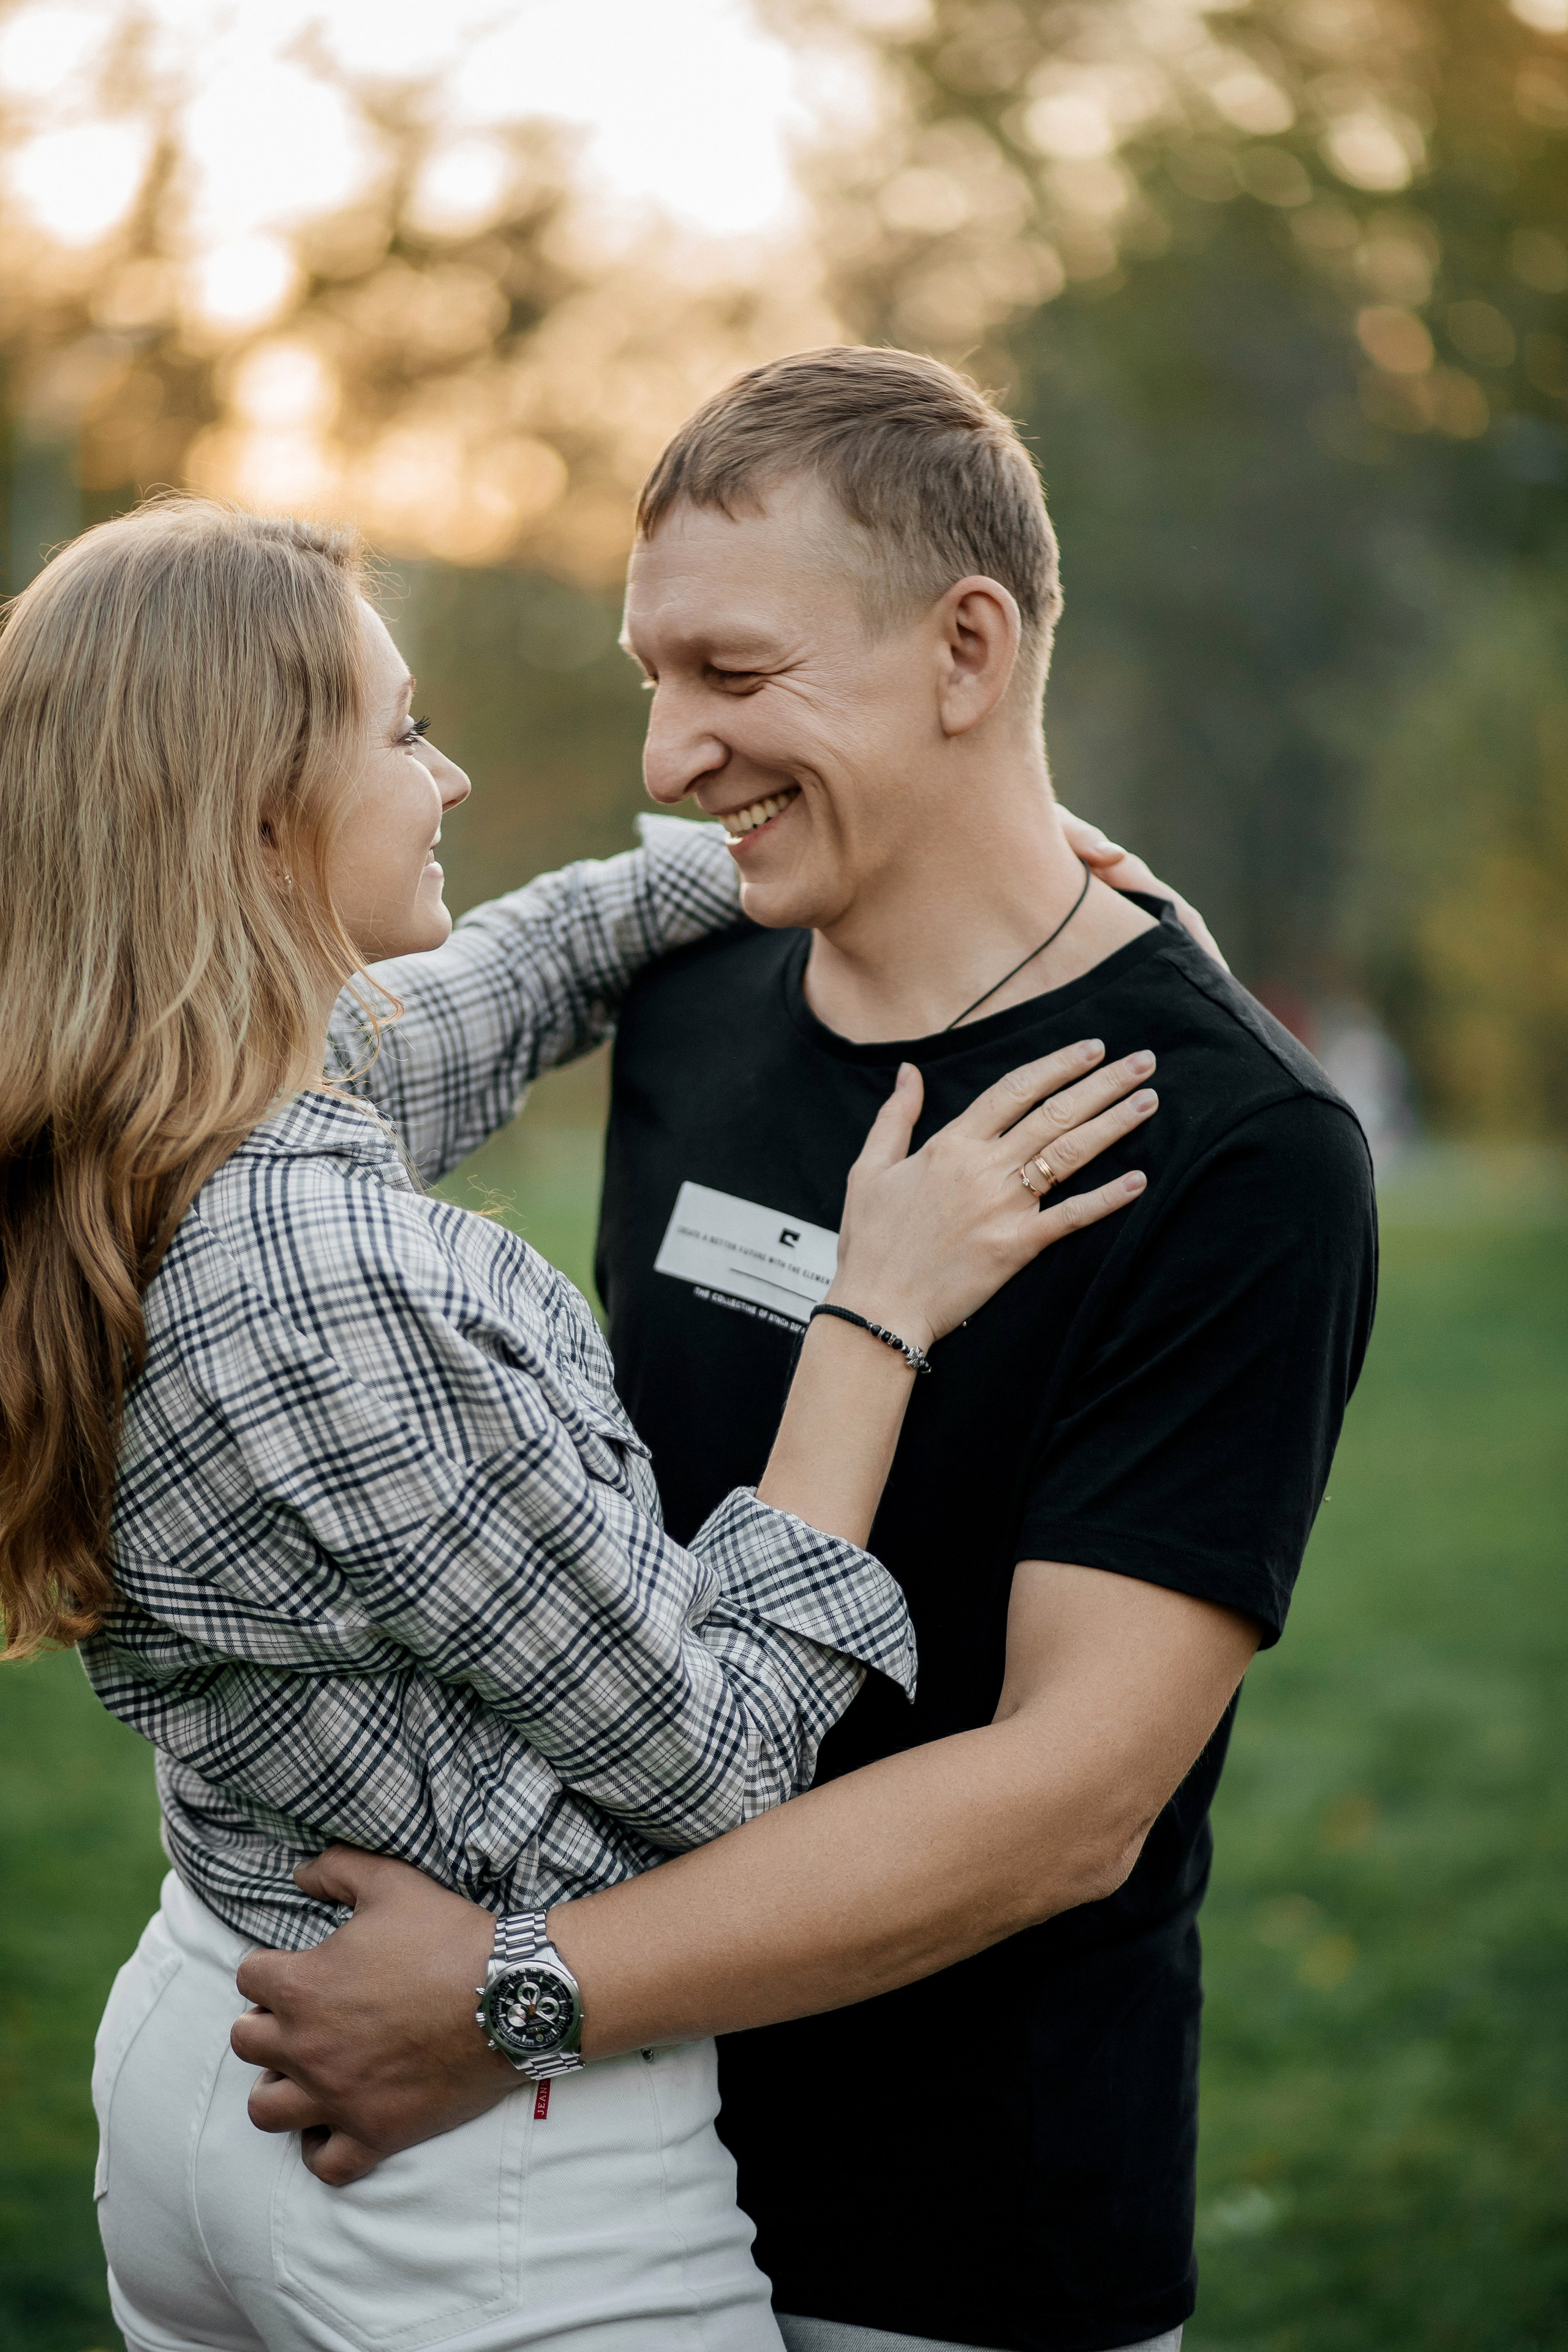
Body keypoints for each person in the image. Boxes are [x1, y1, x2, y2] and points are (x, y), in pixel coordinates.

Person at [234, 350, 1378, 2352]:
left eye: (735, 676)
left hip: (956, 2227)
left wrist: (516, 1987)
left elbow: (1072, 1797)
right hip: (572, 2169)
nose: (671, 753)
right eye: (650, 675)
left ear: (967, 650)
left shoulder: (1233, 1145)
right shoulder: (695, 984)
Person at [0, 496, 1160, 2352]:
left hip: (213, 2027)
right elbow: (718, 1763)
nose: (449, 776)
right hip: (466, 2179)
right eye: (401, 732)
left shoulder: (154, 1108)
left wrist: (796, 856)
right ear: (256, 816)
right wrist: (879, 1310)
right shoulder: (332, 1285)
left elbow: (520, 973)